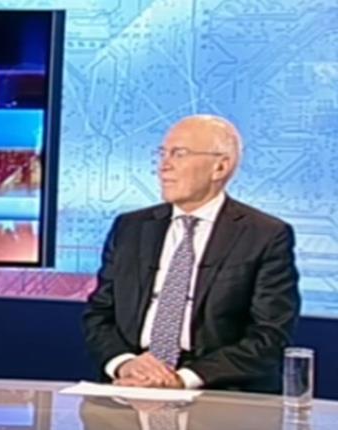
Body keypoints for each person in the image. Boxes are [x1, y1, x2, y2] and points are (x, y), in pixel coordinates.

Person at [82, 115, 300, 393]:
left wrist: (183, 379)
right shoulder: (130, 227)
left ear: (220, 167)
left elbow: (269, 334)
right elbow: (99, 314)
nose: (164, 166)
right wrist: (125, 363)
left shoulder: (265, 235)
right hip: (130, 382)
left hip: (216, 389)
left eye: (179, 154)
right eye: (162, 153)